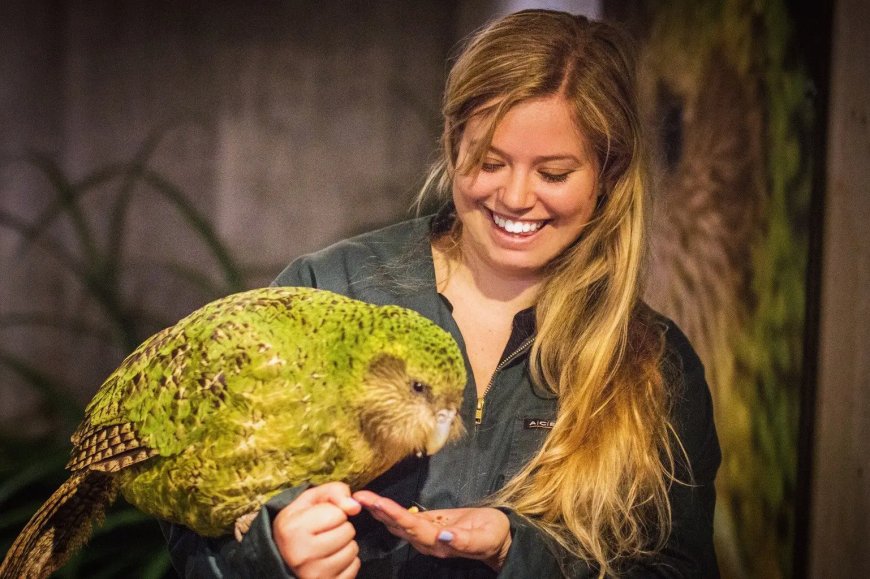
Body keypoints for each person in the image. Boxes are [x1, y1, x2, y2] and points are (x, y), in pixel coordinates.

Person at [163, 9, 720, 578]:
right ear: (454, 144)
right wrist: (270, 552)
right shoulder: (330, 291)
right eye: (490, 161)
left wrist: (520, 552)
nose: (516, 196)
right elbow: (194, 525)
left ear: (609, 172)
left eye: (553, 173)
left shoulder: (655, 363)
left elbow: (678, 568)